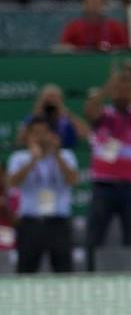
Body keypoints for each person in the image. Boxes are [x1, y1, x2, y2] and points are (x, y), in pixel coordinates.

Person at [84, 66, 131, 271]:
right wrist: (109, 87)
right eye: (118, 89)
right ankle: (90, 274)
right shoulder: (103, 115)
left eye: (125, 89)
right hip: (104, 184)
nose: (121, 92)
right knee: (95, 236)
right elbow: (89, 110)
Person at [6, 117, 79, 273]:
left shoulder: (66, 155)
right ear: (28, 136)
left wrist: (57, 154)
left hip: (58, 222)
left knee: (64, 271)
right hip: (30, 222)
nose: (40, 137)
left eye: (44, 133)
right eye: (36, 133)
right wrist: (32, 160)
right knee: (26, 272)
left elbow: (73, 180)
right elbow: (12, 183)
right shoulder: (19, 157)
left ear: (51, 135)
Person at [15, 84, 89, 151]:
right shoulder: (33, 118)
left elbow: (86, 135)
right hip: (39, 156)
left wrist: (67, 114)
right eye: (47, 98)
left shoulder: (67, 118)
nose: (50, 102)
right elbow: (20, 141)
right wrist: (36, 113)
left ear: (61, 100)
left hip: (64, 155)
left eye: (54, 98)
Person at [58, 0, 130, 52]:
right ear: (84, 4)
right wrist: (69, 48)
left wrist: (115, 49)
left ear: (103, 4)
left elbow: (127, 49)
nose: (94, 6)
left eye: (97, 2)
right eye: (91, 2)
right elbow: (62, 48)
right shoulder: (73, 27)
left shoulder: (116, 27)